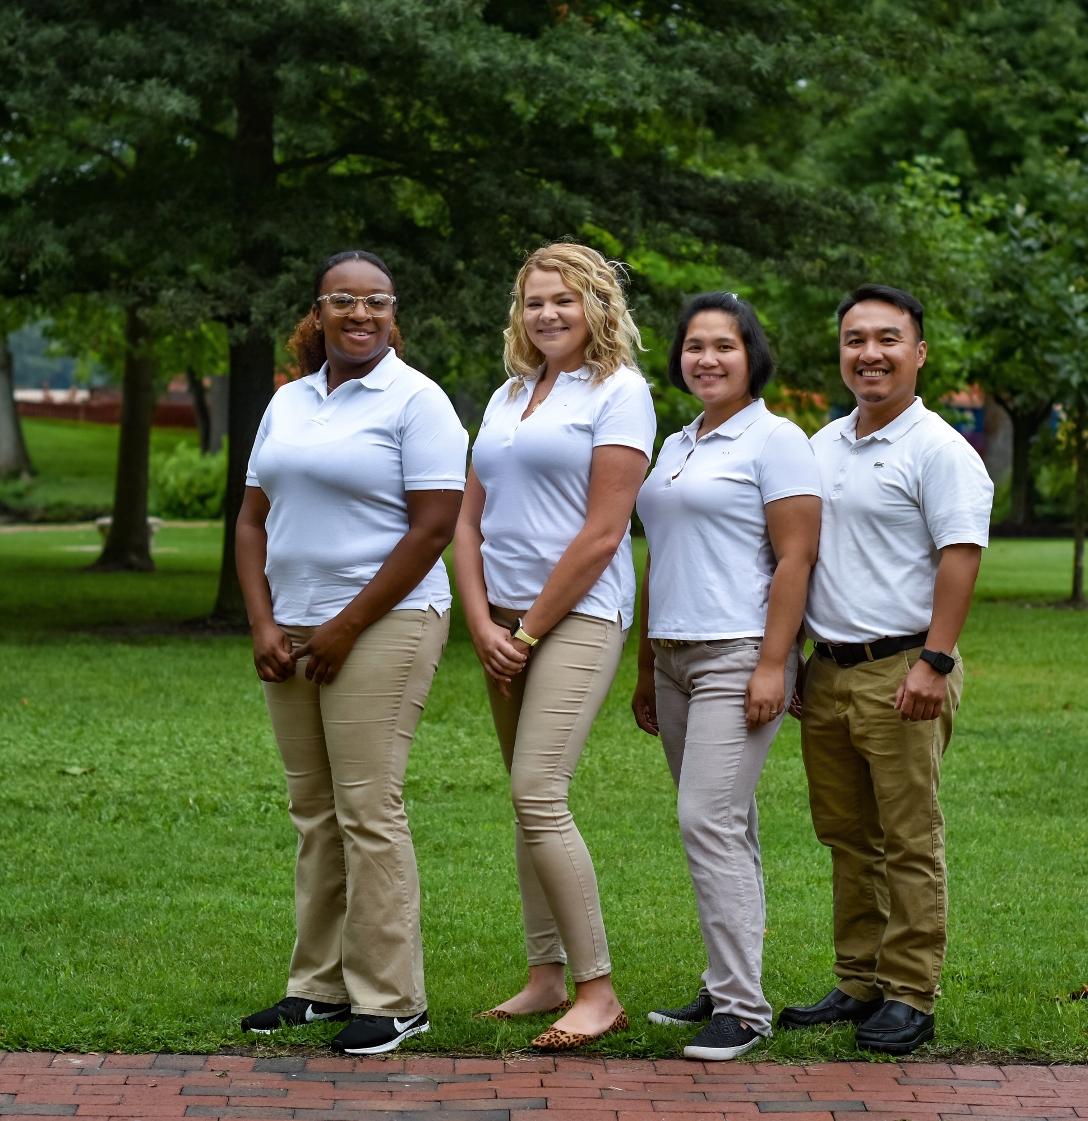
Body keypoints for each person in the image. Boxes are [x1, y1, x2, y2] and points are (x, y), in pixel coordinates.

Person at [235, 250, 468, 1056]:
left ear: (392, 311)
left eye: (375, 301)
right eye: (343, 300)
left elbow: (433, 527)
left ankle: (394, 998)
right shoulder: (289, 402)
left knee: (368, 807)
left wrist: (343, 625)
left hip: (388, 622)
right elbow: (252, 521)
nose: (359, 314)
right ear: (320, 310)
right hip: (292, 627)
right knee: (313, 810)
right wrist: (266, 622)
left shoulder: (417, 400)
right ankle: (317, 986)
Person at [777, 283, 993, 1055]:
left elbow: (961, 555)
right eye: (855, 340)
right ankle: (858, 977)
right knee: (846, 835)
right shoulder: (820, 445)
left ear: (919, 352)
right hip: (829, 671)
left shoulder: (939, 449)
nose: (869, 353)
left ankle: (910, 993)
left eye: (887, 339)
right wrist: (800, 657)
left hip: (906, 667)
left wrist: (935, 661)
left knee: (908, 836)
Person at [454, 243, 655, 1051]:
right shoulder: (508, 395)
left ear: (596, 305)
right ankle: (544, 977)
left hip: (576, 617)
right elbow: (469, 520)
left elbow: (605, 531)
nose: (547, 314)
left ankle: (597, 989)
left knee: (540, 789)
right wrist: (481, 622)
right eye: (535, 301)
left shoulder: (621, 392)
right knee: (523, 797)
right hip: (501, 620)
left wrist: (530, 628)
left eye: (564, 301)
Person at [631, 292, 822, 1061]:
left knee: (705, 818)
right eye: (693, 346)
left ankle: (744, 1011)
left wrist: (777, 660)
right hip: (673, 655)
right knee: (726, 823)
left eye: (724, 346)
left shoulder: (776, 440)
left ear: (753, 357)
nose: (706, 358)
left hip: (738, 651)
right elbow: (659, 555)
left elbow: (796, 558)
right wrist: (646, 664)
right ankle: (723, 979)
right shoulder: (678, 442)